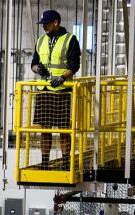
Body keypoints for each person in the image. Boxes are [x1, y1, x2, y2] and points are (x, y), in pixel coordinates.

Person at [29, 10, 81, 167]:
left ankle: (66, 163)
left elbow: (74, 65)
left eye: (46, 23)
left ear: (56, 23)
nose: (44, 26)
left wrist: (62, 78)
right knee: (45, 129)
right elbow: (33, 64)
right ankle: (45, 163)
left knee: (63, 129)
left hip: (62, 91)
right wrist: (38, 69)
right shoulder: (40, 40)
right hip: (44, 91)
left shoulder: (70, 39)